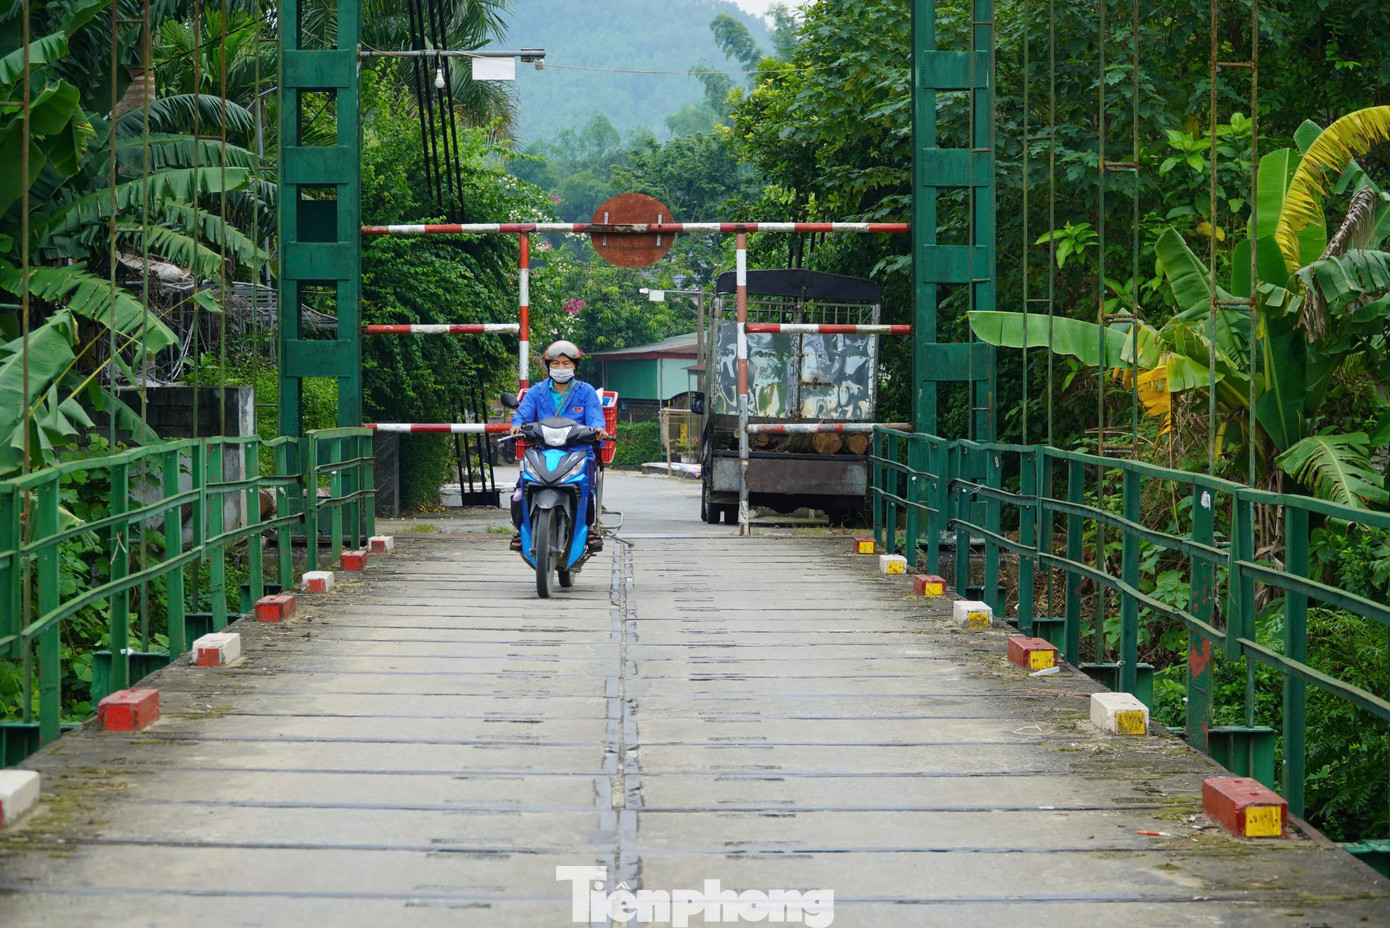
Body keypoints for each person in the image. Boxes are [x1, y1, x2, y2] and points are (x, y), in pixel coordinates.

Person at [509, 340, 610, 552]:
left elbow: (595, 418)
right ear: (548, 366)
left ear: (574, 366)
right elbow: (523, 414)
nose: (561, 368)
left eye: (566, 363)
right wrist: (517, 426)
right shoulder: (536, 391)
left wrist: (598, 429)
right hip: (542, 452)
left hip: (578, 453)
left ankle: (589, 528)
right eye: (556, 363)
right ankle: (521, 529)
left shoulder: (586, 391)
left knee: (586, 488)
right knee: (520, 490)